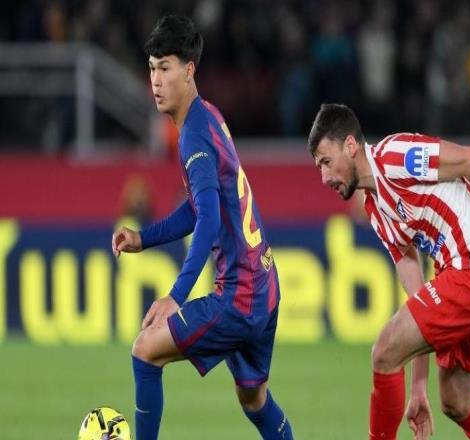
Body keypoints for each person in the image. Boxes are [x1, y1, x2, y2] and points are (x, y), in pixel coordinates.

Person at [111, 15, 293, 440]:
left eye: (165, 68)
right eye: (151, 68)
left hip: (239, 296)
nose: (155, 81)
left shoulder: (193, 134)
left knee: (144, 351)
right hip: (265, 285)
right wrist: (143, 238)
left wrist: (176, 296)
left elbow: (208, 218)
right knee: (254, 398)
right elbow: (200, 206)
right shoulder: (208, 116)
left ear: (189, 70)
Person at [307, 103, 470, 440]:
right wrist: (418, 387)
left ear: (350, 145)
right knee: (456, 399)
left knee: (384, 350)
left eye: (326, 162)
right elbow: (417, 293)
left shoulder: (396, 157)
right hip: (456, 274)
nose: (324, 178)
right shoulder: (375, 208)